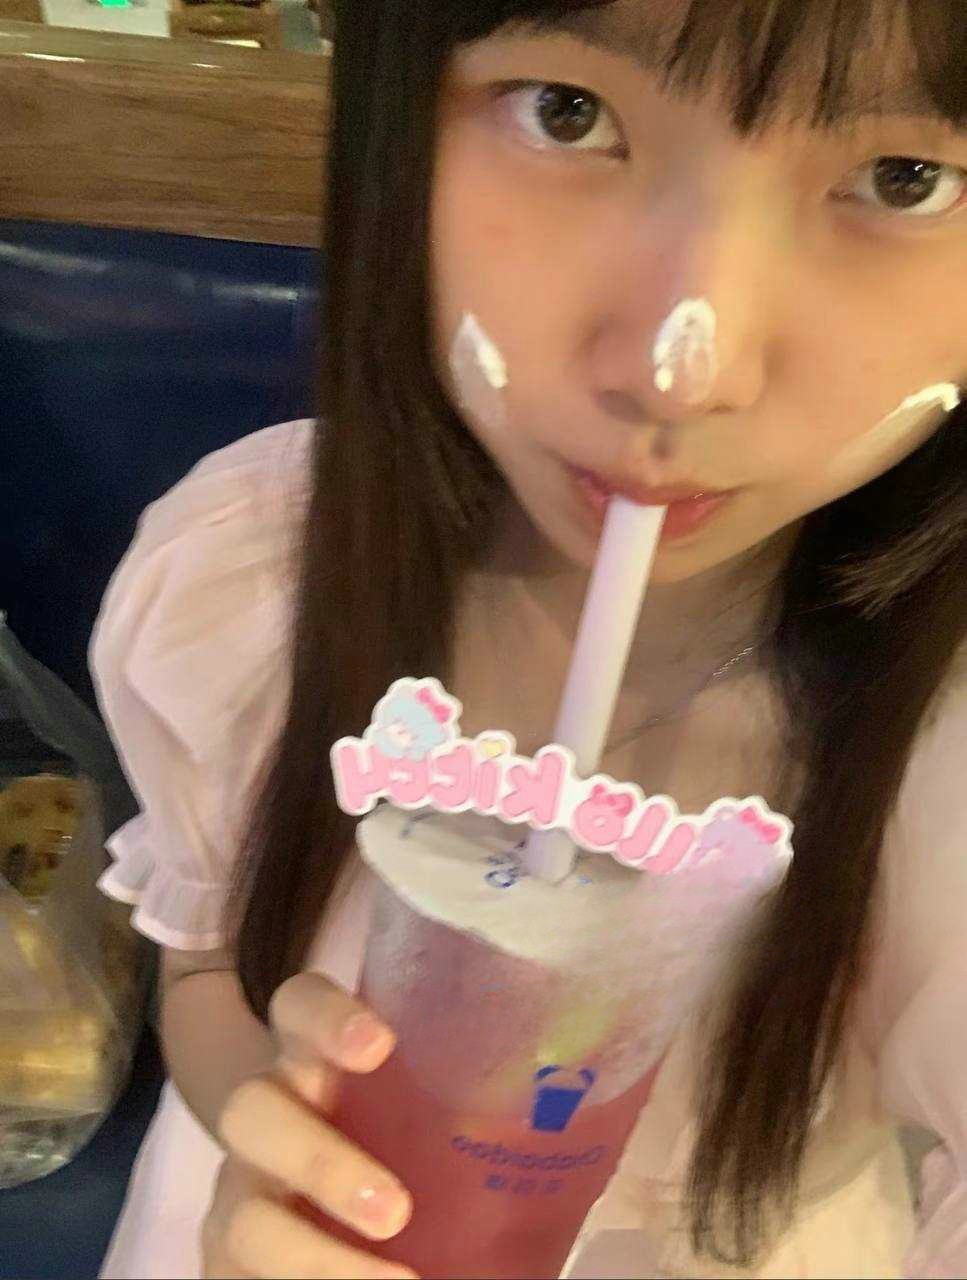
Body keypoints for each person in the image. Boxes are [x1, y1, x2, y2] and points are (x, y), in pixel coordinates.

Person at [90, 1, 967, 1276]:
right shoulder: (255, 576)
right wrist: (280, 1133)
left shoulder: (936, 763)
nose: (680, 370)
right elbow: (212, 959)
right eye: (568, 113)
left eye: (902, 178)